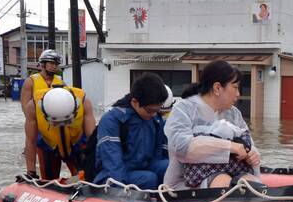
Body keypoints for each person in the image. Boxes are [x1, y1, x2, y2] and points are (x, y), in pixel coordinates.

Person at [164, 60, 262, 189]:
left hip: (233, 171)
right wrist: (230, 147)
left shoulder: (234, 114)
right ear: (217, 88)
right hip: (187, 182)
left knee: (251, 184)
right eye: (235, 87)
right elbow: (181, 147)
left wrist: (252, 154)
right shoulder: (183, 109)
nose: (238, 94)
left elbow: (248, 142)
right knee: (222, 181)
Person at [92, 73, 171, 189]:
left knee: (169, 167)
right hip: (115, 174)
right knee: (148, 179)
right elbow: (113, 164)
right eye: (150, 110)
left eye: (157, 110)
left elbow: (158, 156)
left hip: (145, 167)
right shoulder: (112, 120)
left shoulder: (156, 120)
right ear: (135, 102)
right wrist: (119, 192)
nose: (154, 114)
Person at [27, 83, 96, 180]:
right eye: (56, 123)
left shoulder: (83, 101)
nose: (61, 125)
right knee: (48, 181)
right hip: (48, 145)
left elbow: (92, 139)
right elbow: (31, 141)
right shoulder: (33, 106)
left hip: (77, 143)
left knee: (86, 177)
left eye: (67, 122)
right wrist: (31, 172)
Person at [22, 50, 66, 173]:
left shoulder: (60, 81)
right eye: (51, 63)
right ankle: (31, 172)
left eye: (56, 64)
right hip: (39, 126)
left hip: (57, 125)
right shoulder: (31, 81)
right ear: (43, 64)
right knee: (33, 143)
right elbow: (25, 107)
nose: (55, 66)